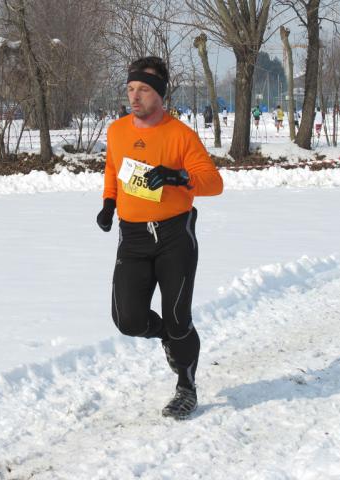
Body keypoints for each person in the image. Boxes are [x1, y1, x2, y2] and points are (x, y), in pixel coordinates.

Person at [96, 56, 223, 420]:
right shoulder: (117, 131)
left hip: (174, 236)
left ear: (160, 94)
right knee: (128, 320)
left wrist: (179, 176)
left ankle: (186, 384)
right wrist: (108, 203)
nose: (135, 97)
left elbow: (215, 183)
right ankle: (168, 336)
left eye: (144, 90)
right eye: (131, 89)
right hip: (132, 237)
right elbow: (112, 168)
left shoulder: (181, 135)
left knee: (178, 316)